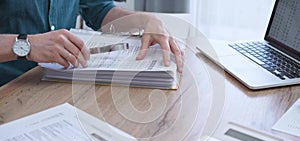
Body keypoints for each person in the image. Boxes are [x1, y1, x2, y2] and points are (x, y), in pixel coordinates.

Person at [0, 0, 183, 86]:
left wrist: (144, 20)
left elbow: (100, 12)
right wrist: (27, 45)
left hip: (58, 84)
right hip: (9, 91)